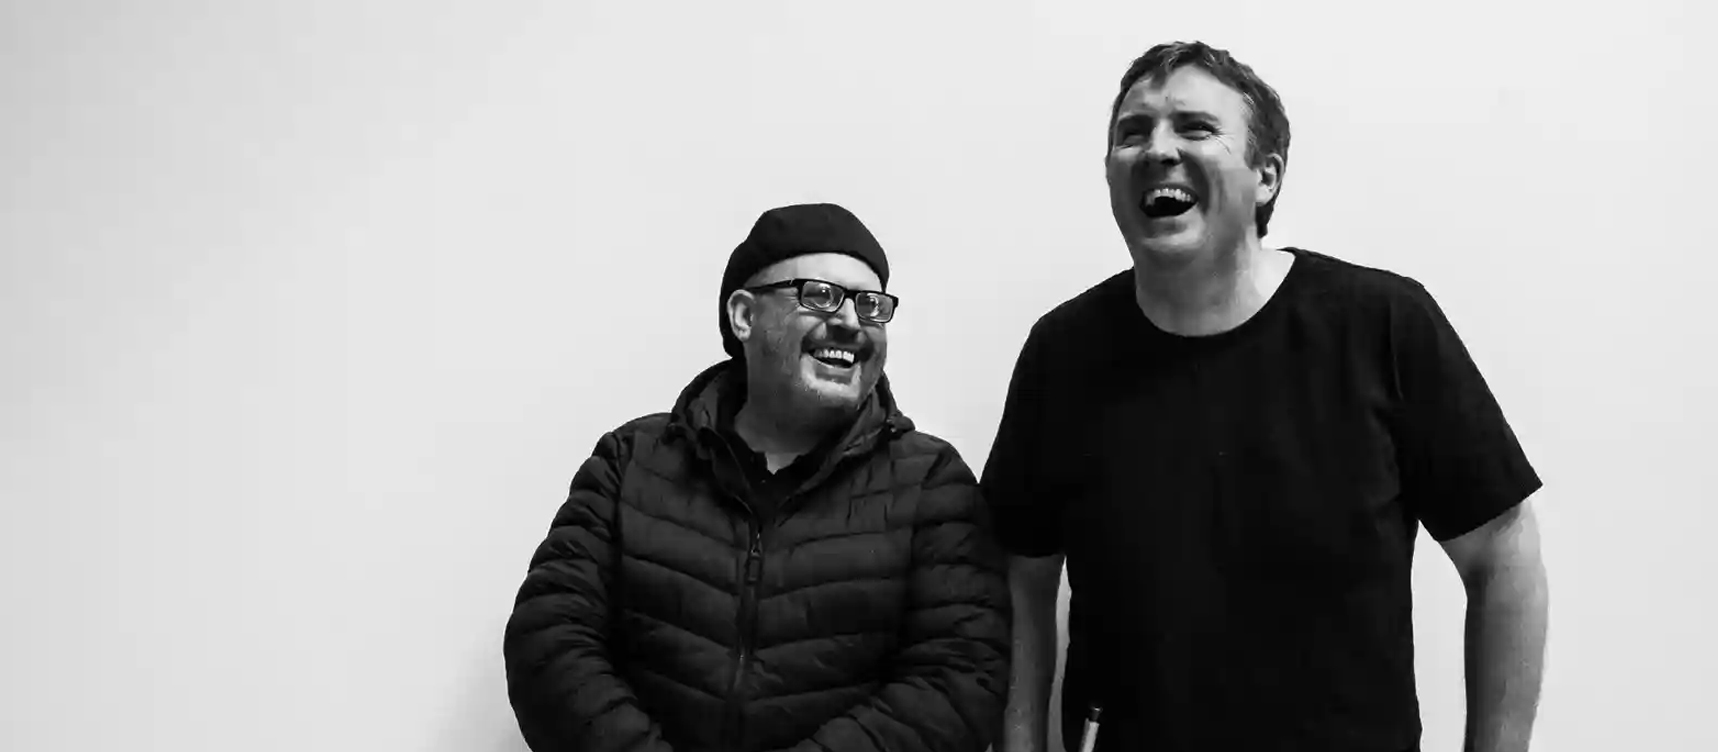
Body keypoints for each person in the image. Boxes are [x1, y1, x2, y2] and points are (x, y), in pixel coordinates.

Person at [984, 42, 1549, 752]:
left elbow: (1502, 549)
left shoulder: (1382, 326)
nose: (1157, 150)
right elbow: (1021, 580)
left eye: (1195, 128)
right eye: (1132, 133)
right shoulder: (1061, 354)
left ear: (1267, 176)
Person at [504, 203, 1011, 752]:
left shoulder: (931, 482)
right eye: (820, 295)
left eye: (871, 305)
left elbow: (960, 680)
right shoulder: (632, 461)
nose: (850, 322)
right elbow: (550, 639)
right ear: (744, 316)